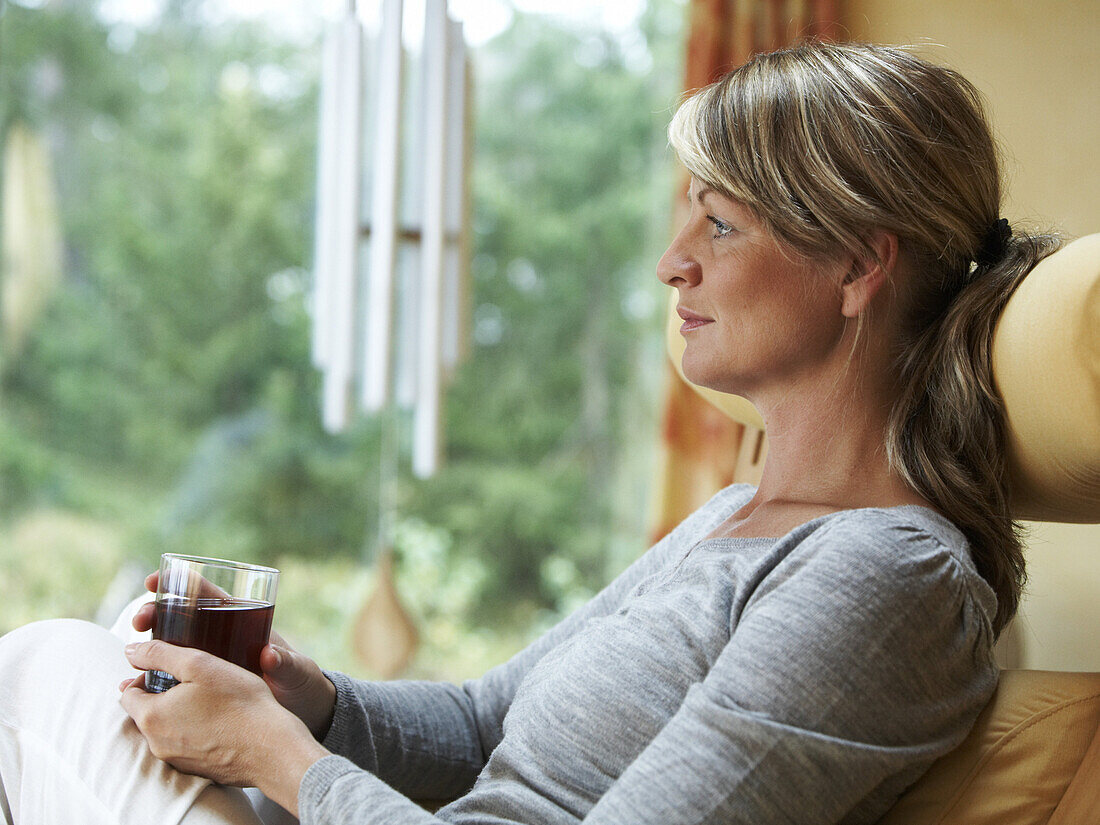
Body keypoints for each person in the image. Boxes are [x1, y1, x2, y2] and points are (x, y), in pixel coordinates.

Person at [0, 41, 1063, 825]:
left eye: (720, 222)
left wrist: (276, 758)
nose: (669, 262)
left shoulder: (883, 577)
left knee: (41, 670)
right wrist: (304, 698)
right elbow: (476, 725)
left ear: (856, 266)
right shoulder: (738, 517)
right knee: (71, 661)